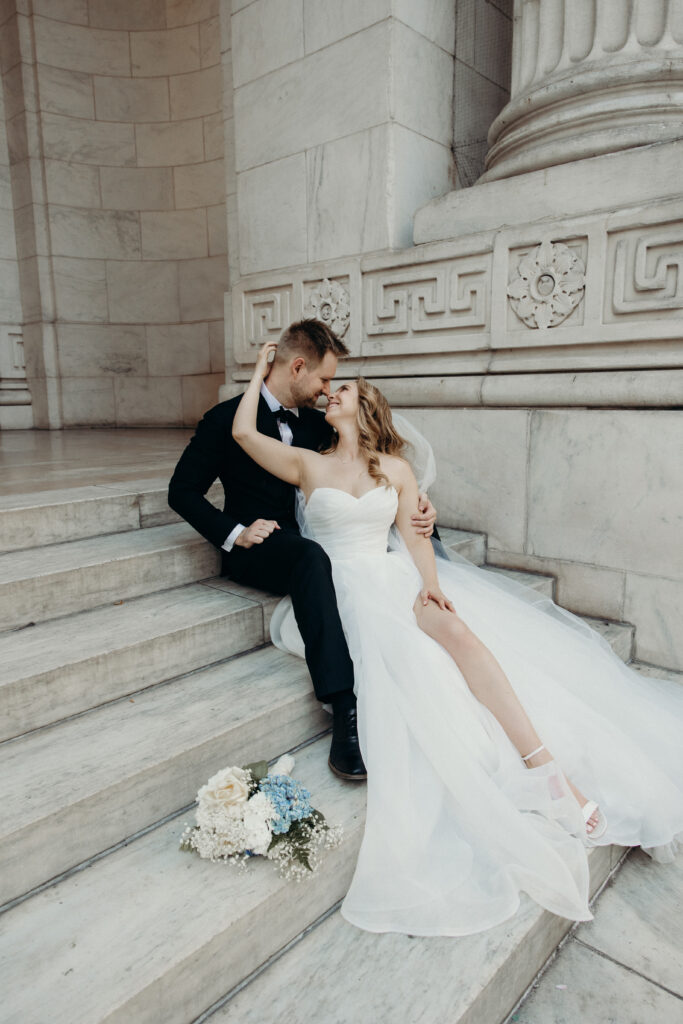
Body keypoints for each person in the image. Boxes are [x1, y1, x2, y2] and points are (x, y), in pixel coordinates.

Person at [232, 339, 683, 936]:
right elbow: (242, 433)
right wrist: (260, 370)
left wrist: (431, 585)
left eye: (345, 390)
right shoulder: (308, 464)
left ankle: (550, 772)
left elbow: (415, 536)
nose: (331, 392)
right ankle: (538, 775)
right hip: (340, 594)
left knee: (459, 633)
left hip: (394, 577)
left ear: (365, 410)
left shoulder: (393, 469)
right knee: (414, 664)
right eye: (332, 387)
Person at [168, 319, 436, 783]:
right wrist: (234, 531)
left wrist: (423, 511)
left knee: (408, 538)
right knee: (311, 558)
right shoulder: (226, 419)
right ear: (297, 367)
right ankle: (344, 709)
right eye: (324, 379)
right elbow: (181, 492)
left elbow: (370, 475)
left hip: (322, 545)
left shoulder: (319, 423)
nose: (327, 390)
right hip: (264, 548)